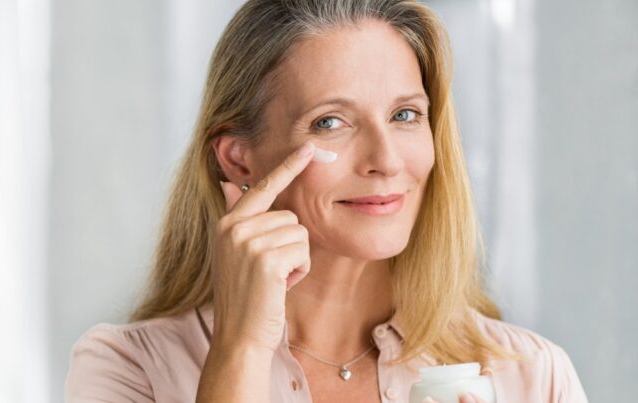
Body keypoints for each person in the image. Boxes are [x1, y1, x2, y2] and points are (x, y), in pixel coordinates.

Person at [63, 0, 589, 402]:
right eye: (330, 122)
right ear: (238, 158)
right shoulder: (128, 369)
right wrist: (241, 350)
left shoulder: (531, 375)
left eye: (405, 115)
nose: (385, 159)